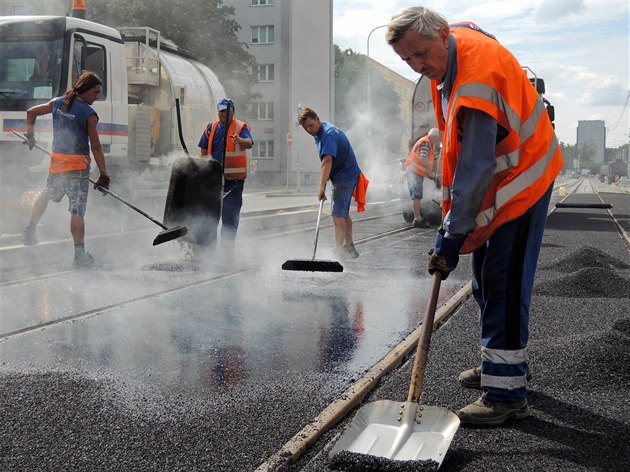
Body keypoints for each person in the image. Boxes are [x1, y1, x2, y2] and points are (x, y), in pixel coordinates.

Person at [386, 7, 563, 426]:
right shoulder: (452, 52)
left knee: (503, 280)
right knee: (485, 278)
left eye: (421, 54)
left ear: (442, 35)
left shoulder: (476, 80)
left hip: (524, 181)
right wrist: (455, 230)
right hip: (502, 183)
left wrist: (452, 233)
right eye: (407, 60)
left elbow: (475, 167)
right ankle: (501, 365)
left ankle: (506, 395)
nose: (418, 65)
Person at [22, 71, 110, 269]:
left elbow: (31, 113)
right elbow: (96, 147)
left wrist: (30, 135)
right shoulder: (88, 114)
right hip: (78, 169)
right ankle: (79, 256)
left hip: (57, 165)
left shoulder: (58, 102)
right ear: (85, 90)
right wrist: (104, 174)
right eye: (95, 92)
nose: (97, 96)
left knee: (46, 194)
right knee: (77, 211)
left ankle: (30, 230)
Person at [298, 107, 367, 260]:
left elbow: (327, 160)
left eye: (311, 125)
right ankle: (349, 247)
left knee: (337, 214)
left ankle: (339, 251)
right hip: (348, 173)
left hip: (344, 177)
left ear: (317, 119)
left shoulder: (327, 135)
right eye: (305, 128)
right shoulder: (324, 129)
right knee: (343, 213)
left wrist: (321, 187)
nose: (309, 130)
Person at [197, 98, 253, 261]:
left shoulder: (240, 127)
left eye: (227, 111)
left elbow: (249, 143)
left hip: (233, 182)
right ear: (218, 112)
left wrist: (239, 140)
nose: (223, 114)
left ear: (233, 112)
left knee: (229, 216)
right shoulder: (211, 128)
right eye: (221, 111)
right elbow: (203, 149)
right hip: (212, 181)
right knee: (209, 216)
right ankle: (208, 253)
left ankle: (228, 253)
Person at [405, 127, 440, 228]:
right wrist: (429, 172)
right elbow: (424, 158)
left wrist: (437, 173)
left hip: (417, 172)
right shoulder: (426, 143)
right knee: (416, 195)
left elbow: (435, 158)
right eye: (437, 139)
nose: (437, 141)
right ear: (434, 137)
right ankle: (417, 219)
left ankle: (419, 216)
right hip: (414, 171)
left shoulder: (429, 143)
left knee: (418, 194)